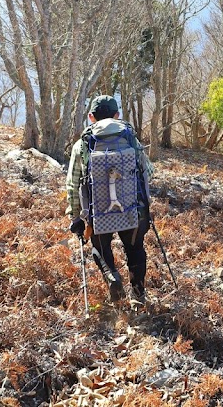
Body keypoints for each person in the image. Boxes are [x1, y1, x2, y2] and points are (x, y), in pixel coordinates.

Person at [66, 95, 153, 304]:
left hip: (98, 212)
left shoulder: (83, 144)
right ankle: (139, 295)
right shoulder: (130, 138)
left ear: (91, 117)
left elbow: (73, 183)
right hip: (133, 209)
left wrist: (75, 217)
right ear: (117, 115)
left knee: (100, 249)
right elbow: (148, 172)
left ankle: (112, 276)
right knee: (135, 249)